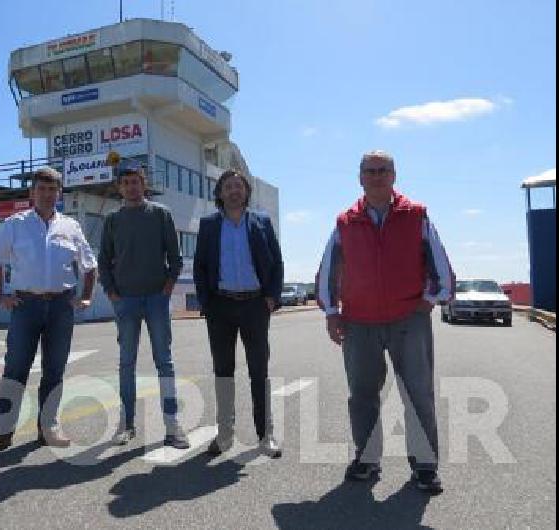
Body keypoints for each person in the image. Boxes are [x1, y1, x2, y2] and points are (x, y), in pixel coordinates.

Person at [316, 150, 454, 494]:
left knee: (417, 393)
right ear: (360, 177)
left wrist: (428, 300)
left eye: (383, 170)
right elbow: (327, 271)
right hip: (359, 323)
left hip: (409, 320)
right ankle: (367, 459)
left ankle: (424, 465)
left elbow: (444, 271)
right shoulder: (345, 222)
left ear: (394, 176)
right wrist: (332, 312)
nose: (377, 176)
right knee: (362, 395)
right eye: (370, 171)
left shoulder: (416, 215)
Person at [0, 167, 97, 456]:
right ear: (32, 193)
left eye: (52, 189)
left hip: (61, 306)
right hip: (25, 306)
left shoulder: (71, 227)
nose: (46, 194)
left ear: (59, 193)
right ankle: (2, 432)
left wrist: (87, 297)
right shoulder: (15, 225)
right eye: (41, 189)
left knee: (55, 369)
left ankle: (48, 428)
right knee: (15, 368)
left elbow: (89, 266)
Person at [98, 159, 189, 449]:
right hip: (125, 302)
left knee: (165, 362)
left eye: (135, 181)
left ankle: (173, 426)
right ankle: (126, 424)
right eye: (125, 183)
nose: (130, 187)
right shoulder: (112, 220)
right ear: (119, 188)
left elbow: (175, 258)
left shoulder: (161, 214)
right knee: (127, 363)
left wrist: (166, 289)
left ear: (143, 183)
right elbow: (103, 261)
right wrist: (112, 292)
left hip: (156, 301)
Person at [193, 169, 284, 458]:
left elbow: (276, 262)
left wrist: (271, 297)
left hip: (255, 305)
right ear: (219, 193)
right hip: (220, 306)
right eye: (228, 187)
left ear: (246, 192)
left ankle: (265, 435)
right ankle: (224, 435)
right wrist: (206, 304)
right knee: (223, 371)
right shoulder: (208, 225)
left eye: (239, 186)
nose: (234, 191)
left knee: (259, 371)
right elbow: (200, 267)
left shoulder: (261, 222)